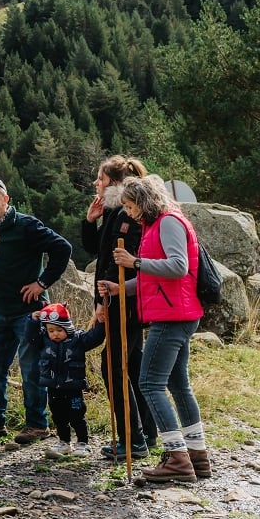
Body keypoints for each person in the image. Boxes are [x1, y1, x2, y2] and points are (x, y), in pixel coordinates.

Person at [99, 174, 211, 484]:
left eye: (131, 205)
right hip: (176, 311)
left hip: (173, 315)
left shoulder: (168, 222)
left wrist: (134, 262)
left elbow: (178, 267)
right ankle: (196, 455)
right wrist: (120, 287)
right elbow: (155, 276)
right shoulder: (156, 224)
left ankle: (177, 458)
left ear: (144, 201)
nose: (128, 212)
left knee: (149, 383)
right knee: (177, 385)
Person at [0, 177, 73, 446]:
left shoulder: (26, 225)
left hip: (30, 312)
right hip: (0, 311)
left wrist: (41, 283)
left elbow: (63, 248)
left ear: (6, 198)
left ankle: (37, 424)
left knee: (31, 368)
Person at [81, 155, 158, 461]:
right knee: (134, 366)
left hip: (123, 300)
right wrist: (90, 221)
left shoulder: (129, 217)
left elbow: (119, 265)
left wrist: (104, 302)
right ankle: (147, 434)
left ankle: (132, 438)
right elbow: (96, 249)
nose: (95, 183)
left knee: (113, 366)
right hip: (121, 299)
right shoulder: (116, 212)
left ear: (113, 183)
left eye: (99, 179)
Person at [27, 302, 105, 459]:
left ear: (67, 328)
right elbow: (31, 338)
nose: (55, 334)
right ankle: (64, 442)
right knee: (58, 416)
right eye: (51, 331)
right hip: (53, 387)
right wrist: (32, 321)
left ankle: (83, 443)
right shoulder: (43, 341)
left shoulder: (78, 340)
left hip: (73, 388)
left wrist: (101, 323)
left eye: (59, 330)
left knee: (77, 415)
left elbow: (95, 338)